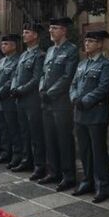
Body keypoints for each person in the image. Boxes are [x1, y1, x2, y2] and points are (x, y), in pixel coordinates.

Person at [70, 30, 109, 202]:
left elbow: (103, 87)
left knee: (98, 152)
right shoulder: (82, 64)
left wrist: (85, 100)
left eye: (91, 41)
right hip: (79, 114)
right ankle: (87, 181)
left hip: (96, 115)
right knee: (84, 151)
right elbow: (73, 84)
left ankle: (102, 186)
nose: (86, 44)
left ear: (99, 44)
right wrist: (74, 98)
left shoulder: (106, 64)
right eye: (86, 40)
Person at [39, 20, 79, 189]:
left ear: (63, 31)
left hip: (61, 102)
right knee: (50, 138)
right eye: (50, 27)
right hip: (47, 102)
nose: (50, 30)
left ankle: (68, 175)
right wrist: (42, 89)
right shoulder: (49, 50)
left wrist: (50, 93)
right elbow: (43, 73)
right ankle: (54, 172)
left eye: (54, 28)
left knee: (64, 139)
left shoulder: (71, 50)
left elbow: (67, 76)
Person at [11, 23, 46, 178]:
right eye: (23, 32)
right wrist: (13, 87)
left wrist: (21, 90)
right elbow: (16, 75)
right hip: (20, 100)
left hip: (32, 100)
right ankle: (27, 160)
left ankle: (39, 165)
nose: (23, 35)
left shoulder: (40, 55)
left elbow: (36, 78)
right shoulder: (23, 55)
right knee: (24, 132)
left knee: (35, 134)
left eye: (27, 32)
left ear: (35, 35)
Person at [0, 35, 22, 167]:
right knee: (3, 129)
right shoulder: (2, 61)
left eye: (6, 44)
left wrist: (1, 91)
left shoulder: (17, 60)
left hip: (8, 100)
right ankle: (5, 152)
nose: (3, 46)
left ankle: (17, 155)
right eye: (2, 44)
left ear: (14, 46)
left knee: (13, 130)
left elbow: (12, 79)